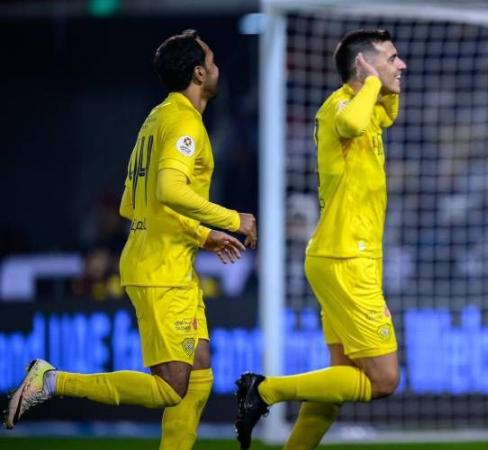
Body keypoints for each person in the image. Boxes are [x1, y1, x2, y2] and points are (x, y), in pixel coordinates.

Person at [4, 29, 257, 450]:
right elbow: (169, 191)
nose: (216, 68)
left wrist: (202, 234)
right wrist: (233, 220)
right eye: (211, 62)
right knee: (171, 387)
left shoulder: (157, 118)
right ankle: (51, 381)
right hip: (161, 269)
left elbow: (129, 203)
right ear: (198, 73)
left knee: (199, 373)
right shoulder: (183, 124)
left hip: (166, 259)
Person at [234, 29, 405, 450]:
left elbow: (389, 113)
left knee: (338, 380)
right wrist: (368, 82)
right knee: (383, 380)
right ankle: (265, 392)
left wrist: (378, 83)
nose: (401, 64)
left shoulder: (369, 109)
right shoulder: (340, 106)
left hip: (342, 257)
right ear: (363, 68)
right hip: (346, 258)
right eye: (392, 57)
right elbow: (351, 119)